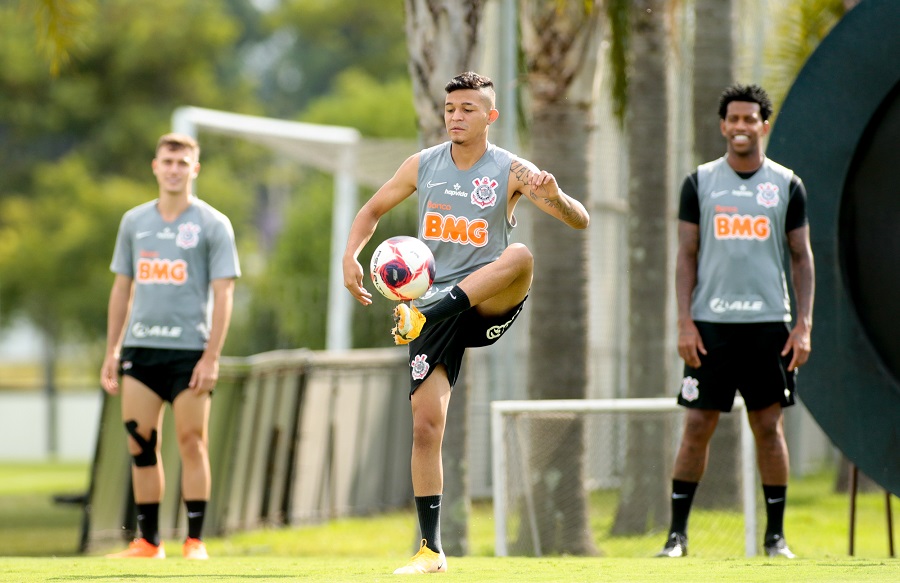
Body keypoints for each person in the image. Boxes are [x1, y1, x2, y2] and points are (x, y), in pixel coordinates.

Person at [342, 71, 589, 574]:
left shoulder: (512, 169)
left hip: (485, 302)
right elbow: (371, 210)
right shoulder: (423, 165)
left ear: (489, 116)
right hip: (430, 309)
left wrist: (557, 193)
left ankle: (425, 312)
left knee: (520, 254)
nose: (456, 115)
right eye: (450, 107)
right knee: (426, 428)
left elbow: (579, 219)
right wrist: (351, 256)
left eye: (468, 109)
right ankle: (431, 550)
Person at [656, 84, 814, 559]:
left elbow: (802, 258)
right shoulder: (700, 182)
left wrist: (803, 325)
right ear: (723, 125)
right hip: (710, 327)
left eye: (751, 119)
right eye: (734, 120)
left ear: (764, 125)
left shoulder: (787, 184)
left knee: (769, 427)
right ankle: (676, 537)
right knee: (698, 425)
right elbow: (686, 256)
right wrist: (685, 322)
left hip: (770, 326)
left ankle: (776, 538)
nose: (742, 127)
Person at [100, 133, 241, 560]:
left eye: (183, 163)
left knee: (191, 442)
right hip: (141, 350)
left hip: (190, 354)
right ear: (155, 166)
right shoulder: (134, 222)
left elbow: (224, 295)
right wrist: (112, 351)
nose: (174, 169)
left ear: (194, 169)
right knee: (140, 444)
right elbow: (122, 289)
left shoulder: (213, 224)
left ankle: (195, 540)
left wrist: (211, 356)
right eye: (168, 162)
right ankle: (148, 542)